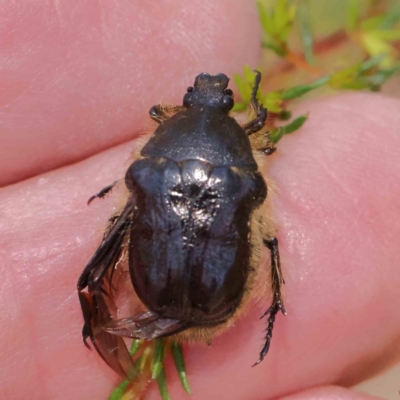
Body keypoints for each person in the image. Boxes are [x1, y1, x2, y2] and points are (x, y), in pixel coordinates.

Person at [1, 1, 399, 399]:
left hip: (174, 286)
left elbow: (149, 145)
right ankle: (264, 307)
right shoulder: (243, 159)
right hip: (214, 294)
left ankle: (109, 319)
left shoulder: (156, 158)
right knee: (266, 238)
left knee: (128, 209)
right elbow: (260, 149)